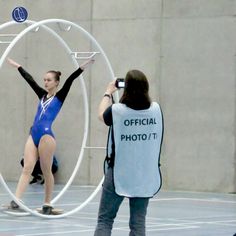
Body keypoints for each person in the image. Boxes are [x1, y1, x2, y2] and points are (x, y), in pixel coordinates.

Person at [7, 57, 95, 214]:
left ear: (56, 83)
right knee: (27, 168)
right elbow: (30, 81)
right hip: (33, 135)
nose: (45, 82)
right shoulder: (41, 94)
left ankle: (47, 204)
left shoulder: (59, 97)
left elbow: (70, 80)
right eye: (44, 80)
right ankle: (17, 200)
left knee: (46, 171)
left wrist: (82, 67)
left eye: (49, 80)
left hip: (46, 137)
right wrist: (18, 66)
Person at [94, 70, 164, 236]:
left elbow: (101, 116)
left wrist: (108, 93)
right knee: (138, 223)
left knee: (105, 220)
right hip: (144, 174)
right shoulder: (155, 110)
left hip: (119, 172)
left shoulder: (117, 110)